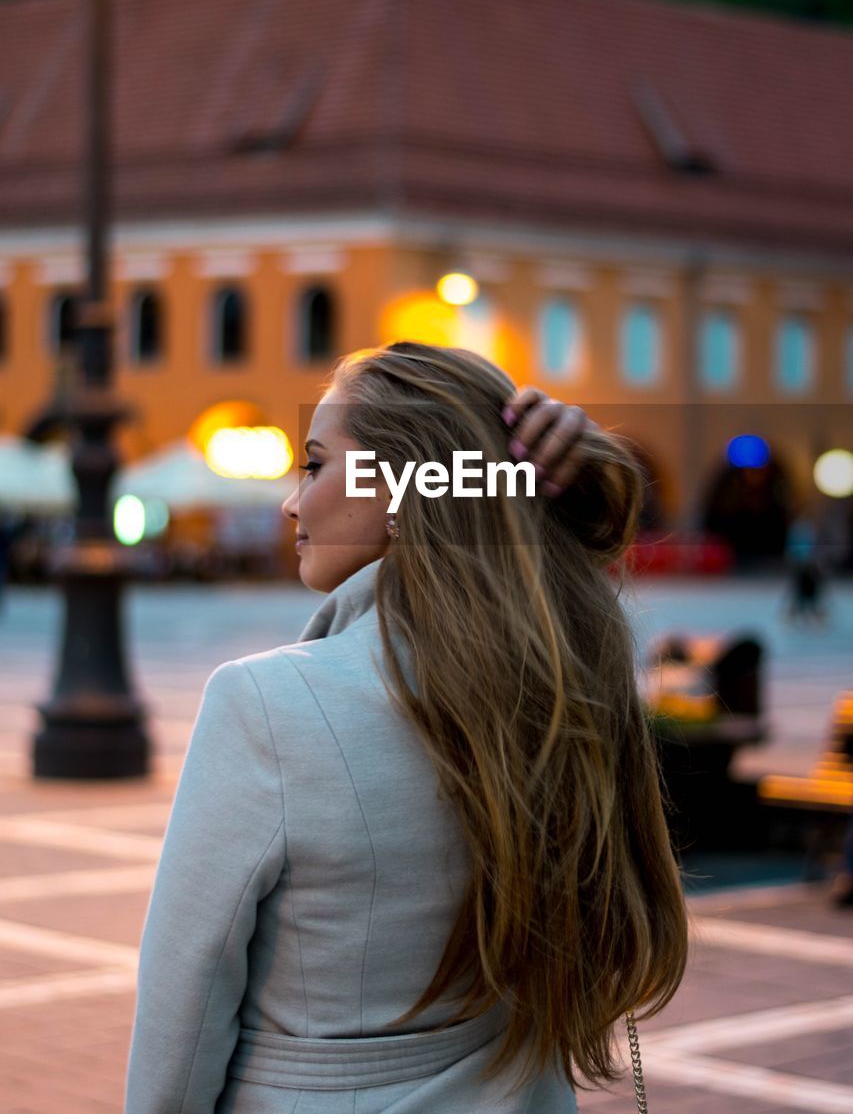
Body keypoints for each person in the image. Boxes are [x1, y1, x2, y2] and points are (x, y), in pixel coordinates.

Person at [124, 341, 689, 1114]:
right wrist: (568, 486)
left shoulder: (263, 703)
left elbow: (184, 1002)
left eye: (315, 465)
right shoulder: (563, 683)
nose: (292, 502)